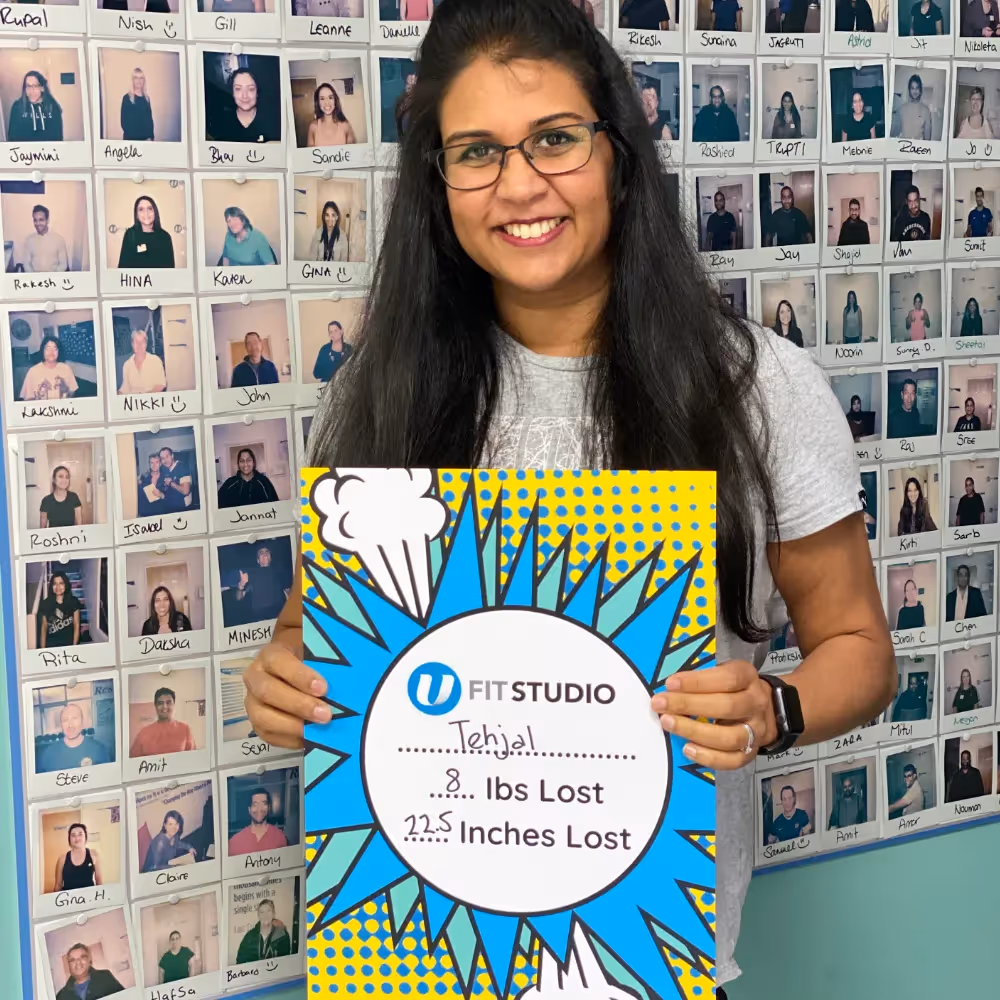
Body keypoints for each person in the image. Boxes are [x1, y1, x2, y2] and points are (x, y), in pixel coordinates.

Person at [242, 5, 898, 997]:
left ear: (617, 152)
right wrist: (284, 684)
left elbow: (858, 647)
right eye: (476, 152)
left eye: (554, 139)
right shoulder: (380, 392)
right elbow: (311, 634)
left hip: (647, 960)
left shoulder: (757, 386)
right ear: (438, 181)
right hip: (425, 960)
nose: (518, 185)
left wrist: (775, 707)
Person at [210, 67, 280, 144]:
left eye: (251, 89)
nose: (245, 95)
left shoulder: (274, 122)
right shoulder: (221, 124)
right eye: (238, 89)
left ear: (257, 92)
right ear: (232, 93)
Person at [36, 703, 112, 772]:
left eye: (74, 718)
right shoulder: (48, 754)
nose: (70, 725)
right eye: (65, 720)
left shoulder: (99, 750)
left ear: (82, 721)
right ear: (61, 724)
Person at [130, 686, 195, 756]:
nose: (164, 707)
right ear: (155, 706)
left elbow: (192, 757)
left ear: (174, 704)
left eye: (168, 702)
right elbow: (133, 760)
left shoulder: (185, 729)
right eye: (160, 703)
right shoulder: (143, 733)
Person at [117, 196, 175, 270]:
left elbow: (169, 268)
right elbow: (123, 266)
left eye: (150, 208)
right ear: (137, 215)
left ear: (155, 212)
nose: (146, 213)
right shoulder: (130, 235)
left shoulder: (165, 237)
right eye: (141, 209)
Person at [235, 545, 290, 621]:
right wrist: (241, 586)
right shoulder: (251, 573)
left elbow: (288, 593)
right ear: (258, 560)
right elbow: (239, 598)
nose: (265, 553)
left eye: (267, 552)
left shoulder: (279, 572)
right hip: (260, 617)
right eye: (261, 553)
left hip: (279, 615)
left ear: (271, 557)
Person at [228, 786, 289, 854]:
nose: (259, 808)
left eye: (263, 803)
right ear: (249, 809)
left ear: (269, 808)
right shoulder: (235, 841)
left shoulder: (280, 837)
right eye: (255, 804)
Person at [19, 335, 78, 401]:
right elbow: (28, 398)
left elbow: (72, 392)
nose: (51, 352)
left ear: (59, 351)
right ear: (43, 351)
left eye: (55, 349)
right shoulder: (33, 371)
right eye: (48, 348)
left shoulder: (66, 369)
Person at [54, 944, 124, 1000]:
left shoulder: (105, 977)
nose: (78, 962)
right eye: (72, 960)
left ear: (89, 960)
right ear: (69, 966)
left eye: (82, 957)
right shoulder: (61, 996)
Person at [8, 71, 63, 142]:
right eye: (28, 86)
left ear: (42, 88)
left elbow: (58, 138)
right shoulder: (17, 107)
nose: (31, 90)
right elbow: (12, 137)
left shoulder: (53, 107)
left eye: (35, 86)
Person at [235, 898, 292, 964]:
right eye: (262, 912)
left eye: (268, 911)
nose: (265, 915)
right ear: (258, 916)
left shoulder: (282, 936)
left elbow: (285, 962)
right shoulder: (249, 937)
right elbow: (240, 962)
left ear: (274, 914)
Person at [38, 570, 82, 648]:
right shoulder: (45, 604)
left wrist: (74, 646)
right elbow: (44, 628)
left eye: (61, 583)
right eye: (55, 584)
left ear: (66, 585)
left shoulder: (73, 601)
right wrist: (43, 649)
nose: (58, 587)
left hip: (68, 645)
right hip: (51, 645)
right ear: (52, 586)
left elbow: (76, 625)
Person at [54, 823, 103, 892]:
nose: (77, 838)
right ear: (69, 839)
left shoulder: (93, 854)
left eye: (80, 834)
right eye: (73, 835)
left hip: (89, 896)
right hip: (69, 897)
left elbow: (99, 881)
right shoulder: (62, 859)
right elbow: (58, 885)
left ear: (85, 837)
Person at [119, 329, 167, 395]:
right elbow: (125, 388)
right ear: (132, 344)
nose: (139, 345)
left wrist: (144, 397)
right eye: (136, 342)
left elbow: (161, 385)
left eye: (142, 342)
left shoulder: (155, 360)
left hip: (152, 399)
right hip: (133, 399)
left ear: (146, 344)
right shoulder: (127, 365)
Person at [23, 205, 69, 273]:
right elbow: (27, 264)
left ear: (47, 220)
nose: (37, 223)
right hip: (35, 278)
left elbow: (63, 265)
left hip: (54, 277)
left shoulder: (59, 239)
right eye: (35, 220)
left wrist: (52, 277)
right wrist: (34, 277)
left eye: (41, 220)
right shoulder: (29, 240)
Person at [39, 466, 83, 530]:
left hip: (71, 535)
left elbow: (79, 524)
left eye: (67, 477)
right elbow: (42, 528)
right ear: (54, 479)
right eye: (60, 476)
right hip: (53, 535)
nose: (64, 480)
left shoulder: (74, 497)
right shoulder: (46, 501)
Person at [891, 75, 932, 140]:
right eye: (912, 88)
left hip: (919, 146)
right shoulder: (902, 109)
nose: (915, 91)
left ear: (920, 90)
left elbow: (927, 137)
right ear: (909, 90)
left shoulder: (926, 110)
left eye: (917, 88)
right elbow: (894, 133)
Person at [120, 67, 154, 142]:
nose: (139, 81)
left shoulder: (146, 98)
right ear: (132, 80)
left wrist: (150, 137)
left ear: (144, 81)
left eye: (141, 78)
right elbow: (124, 123)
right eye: (136, 78)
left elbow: (150, 121)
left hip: (146, 140)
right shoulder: (127, 98)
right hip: (131, 140)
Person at [158, 446, 194, 514]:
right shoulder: (164, 469)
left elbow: (186, 491)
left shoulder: (182, 467)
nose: (165, 460)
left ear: (172, 456)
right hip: (169, 508)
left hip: (182, 508)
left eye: (167, 456)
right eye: (162, 458)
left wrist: (171, 483)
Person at [138, 454, 167, 518]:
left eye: (156, 462)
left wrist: (162, 495)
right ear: (149, 464)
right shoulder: (144, 477)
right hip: (147, 513)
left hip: (161, 513)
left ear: (160, 464)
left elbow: (169, 497)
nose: (154, 465)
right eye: (152, 463)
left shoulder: (166, 477)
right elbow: (142, 497)